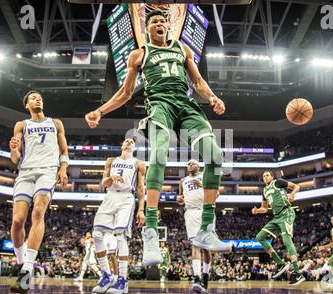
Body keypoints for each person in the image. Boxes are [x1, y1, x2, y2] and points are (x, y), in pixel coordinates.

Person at [85, 10, 231, 267]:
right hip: (160, 104)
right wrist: (99, 110)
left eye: (163, 21)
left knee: (216, 156)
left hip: (185, 105)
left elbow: (197, 81)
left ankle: (207, 229)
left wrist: (212, 97)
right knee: (160, 153)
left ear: (168, 26)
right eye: (154, 22)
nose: (160, 24)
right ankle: (150, 231)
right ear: (148, 28)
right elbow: (126, 92)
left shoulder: (183, 48)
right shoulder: (139, 54)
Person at [9, 90, 69, 294]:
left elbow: (64, 151)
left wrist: (62, 169)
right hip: (25, 172)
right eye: (33, 98)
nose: (38, 99)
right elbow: (15, 159)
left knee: (38, 212)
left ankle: (27, 269)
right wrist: (13, 148)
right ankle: (20, 263)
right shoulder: (21, 125)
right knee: (17, 220)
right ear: (26, 105)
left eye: (40, 97)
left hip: (47, 171)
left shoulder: (56, 123)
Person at [91, 138, 146, 294]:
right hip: (109, 197)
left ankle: (122, 280)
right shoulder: (111, 161)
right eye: (126, 140)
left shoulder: (139, 164)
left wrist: (141, 209)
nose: (128, 141)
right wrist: (111, 178)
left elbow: (141, 188)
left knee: (121, 237)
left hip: (126, 198)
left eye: (131, 141)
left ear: (134, 147)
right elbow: (104, 183)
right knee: (96, 234)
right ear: (122, 145)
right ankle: (107, 275)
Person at [252, 171, 305, 285]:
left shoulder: (278, 182)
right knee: (259, 237)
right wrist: (257, 211)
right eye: (263, 176)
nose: (265, 177)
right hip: (276, 217)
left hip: (286, 213)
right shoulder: (264, 191)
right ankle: (280, 263)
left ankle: (297, 272)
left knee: (286, 240)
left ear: (272, 177)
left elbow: (296, 186)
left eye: (267, 175)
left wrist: (292, 194)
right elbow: (265, 208)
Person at [177, 159, 211, 293]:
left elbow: (217, 194)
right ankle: (196, 278)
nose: (190, 164)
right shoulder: (182, 181)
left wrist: (202, 185)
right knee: (195, 245)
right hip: (190, 212)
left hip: (205, 210)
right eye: (188, 163)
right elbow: (180, 199)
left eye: (193, 163)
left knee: (206, 248)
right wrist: (179, 200)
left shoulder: (205, 176)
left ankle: (205, 276)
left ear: (198, 166)